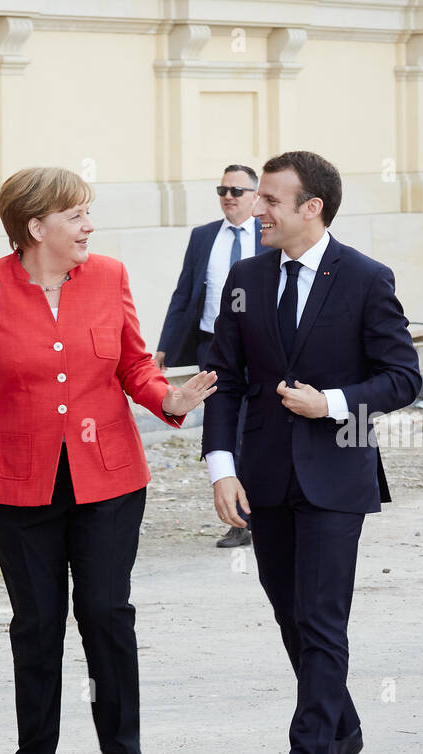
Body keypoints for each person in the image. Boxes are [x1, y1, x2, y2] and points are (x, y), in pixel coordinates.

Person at [0, 167, 216, 754]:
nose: (89, 227)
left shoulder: (109, 276)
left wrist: (169, 399)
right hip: (20, 486)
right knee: (37, 621)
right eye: (76, 216)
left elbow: (134, 365)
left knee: (106, 611)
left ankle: (124, 748)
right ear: (35, 226)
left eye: (87, 214)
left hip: (110, 480)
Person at [203, 150, 421, 754]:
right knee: (289, 612)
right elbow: (226, 380)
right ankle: (341, 726)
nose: (256, 210)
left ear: (312, 208)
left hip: (336, 476)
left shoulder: (365, 278)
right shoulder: (245, 277)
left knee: (322, 617)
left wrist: (330, 403)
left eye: (270, 200)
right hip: (264, 477)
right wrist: (221, 467)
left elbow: (403, 377)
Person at [155, 164, 266, 548]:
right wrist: (165, 345)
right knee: (224, 427)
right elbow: (184, 292)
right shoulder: (203, 236)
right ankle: (240, 520)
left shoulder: (269, 234)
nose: (228, 197)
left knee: (257, 427)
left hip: (260, 346)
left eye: (237, 191)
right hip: (213, 347)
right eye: (222, 191)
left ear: (255, 195)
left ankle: (267, 511)